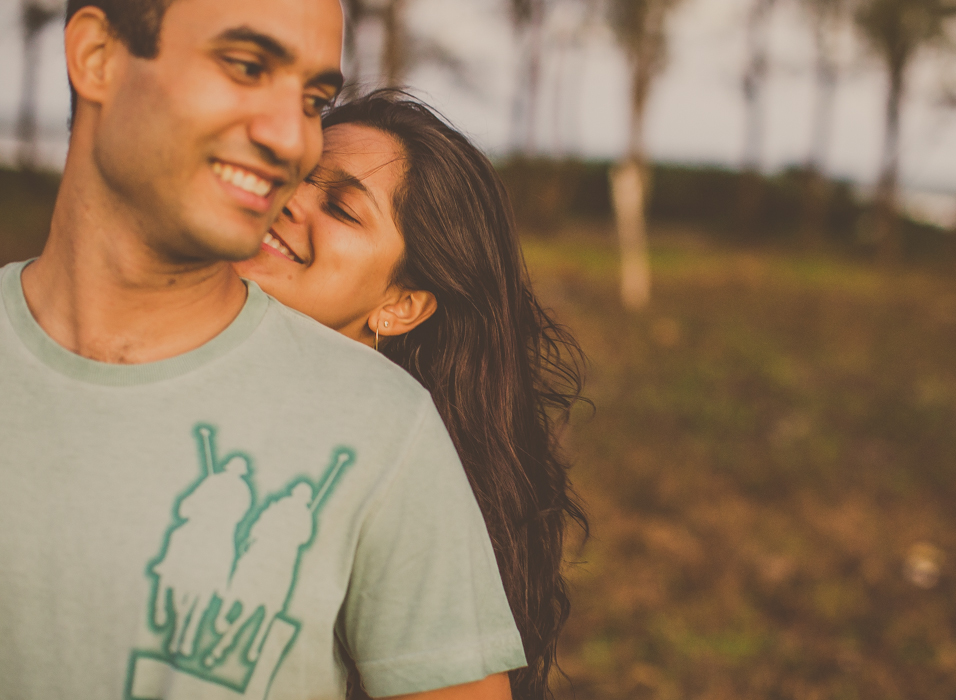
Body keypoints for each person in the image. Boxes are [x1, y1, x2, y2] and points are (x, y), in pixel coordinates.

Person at [0, 0, 526, 698]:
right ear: (97, 56)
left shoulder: (383, 429)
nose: (291, 145)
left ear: (402, 305)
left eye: (313, 100)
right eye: (246, 66)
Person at [233, 90, 589, 700]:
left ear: (401, 305)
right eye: (289, 175)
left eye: (342, 209)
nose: (287, 200)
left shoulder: (396, 462)